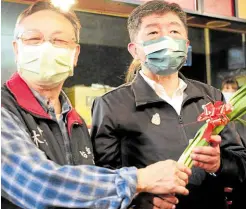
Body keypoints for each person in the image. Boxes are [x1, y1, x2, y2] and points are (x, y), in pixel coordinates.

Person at [1, 2, 192, 209]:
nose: (46, 47)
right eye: (33, 39)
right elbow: (38, 186)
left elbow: (83, 192)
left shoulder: (75, 122)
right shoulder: (5, 108)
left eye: (59, 40)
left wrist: (135, 200)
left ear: (75, 54)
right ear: (17, 49)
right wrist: (139, 180)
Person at [90, 1, 246, 209]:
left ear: (186, 44)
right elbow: (102, 180)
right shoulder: (111, 105)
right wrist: (140, 200)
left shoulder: (210, 96)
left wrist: (220, 164)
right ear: (135, 50)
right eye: (153, 32)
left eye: (174, 30)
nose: (166, 39)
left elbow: (241, 165)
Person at [221, 78, 246, 209]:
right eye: (227, 89)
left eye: (233, 89)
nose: (230, 92)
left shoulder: (243, 114)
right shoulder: (218, 113)